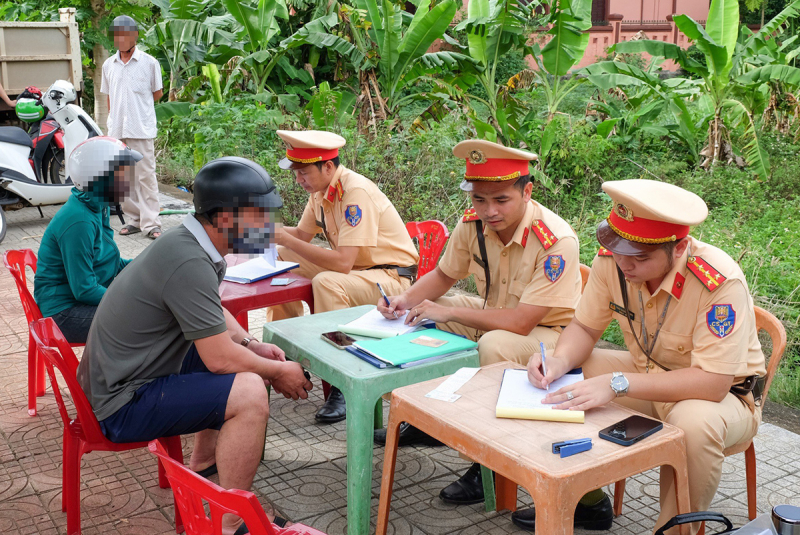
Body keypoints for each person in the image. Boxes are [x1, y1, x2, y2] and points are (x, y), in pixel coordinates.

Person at [76, 157, 313, 535]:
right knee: (250, 389)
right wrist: (277, 370)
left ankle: (203, 466)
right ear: (222, 218)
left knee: (244, 364)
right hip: (120, 402)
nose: (268, 227)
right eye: (259, 216)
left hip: (125, 375)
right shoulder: (187, 258)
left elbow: (212, 310)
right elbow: (219, 359)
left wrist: (252, 345)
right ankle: (229, 523)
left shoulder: (188, 242)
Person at [521, 179, 766, 534]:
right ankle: (587, 501)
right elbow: (585, 328)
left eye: (639, 257)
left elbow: (713, 384)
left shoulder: (718, 281)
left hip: (725, 396)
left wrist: (618, 383)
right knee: (570, 377)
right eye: (617, 249)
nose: (623, 264)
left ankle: (674, 529)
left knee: (694, 422)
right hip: (648, 372)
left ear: (679, 247)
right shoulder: (614, 262)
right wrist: (558, 361)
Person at [375, 139, 583, 505]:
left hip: (547, 337)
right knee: (422, 314)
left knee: (492, 343)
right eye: (479, 199)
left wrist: (450, 312)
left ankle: (485, 464)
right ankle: (432, 423)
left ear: (527, 191)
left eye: (501, 200)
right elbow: (443, 275)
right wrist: (403, 300)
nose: (489, 211)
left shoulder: (555, 240)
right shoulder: (471, 225)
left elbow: (520, 323)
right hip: (493, 314)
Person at [270, 129, 419, 424]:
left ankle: (343, 380)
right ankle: (286, 353)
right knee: (283, 255)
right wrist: (258, 229)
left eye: (303, 173)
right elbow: (301, 236)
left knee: (326, 281)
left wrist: (286, 240)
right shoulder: (321, 191)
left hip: (392, 279)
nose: (298, 180)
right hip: (360, 272)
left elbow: (342, 263)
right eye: (295, 173)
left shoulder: (355, 193)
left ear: (327, 167)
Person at [34, 136, 138, 344]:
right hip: (64, 313)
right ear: (99, 178)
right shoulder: (79, 221)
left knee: (148, 312)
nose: (129, 181)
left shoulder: (98, 205)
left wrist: (146, 264)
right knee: (144, 320)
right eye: (122, 175)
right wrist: (127, 301)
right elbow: (84, 289)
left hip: (77, 300)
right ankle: (119, 376)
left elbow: (108, 262)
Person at [101, 15, 163, 239]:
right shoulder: (109, 65)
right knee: (123, 179)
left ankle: (151, 224)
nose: (122, 39)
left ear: (135, 35)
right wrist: (113, 119)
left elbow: (157, 94)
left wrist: (137, 110)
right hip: (117, 130)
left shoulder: (149, 63)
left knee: (146, 176)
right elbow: (109, 97)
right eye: (118, 34)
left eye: (126, 34)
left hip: (141, 128)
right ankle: (134, 220)